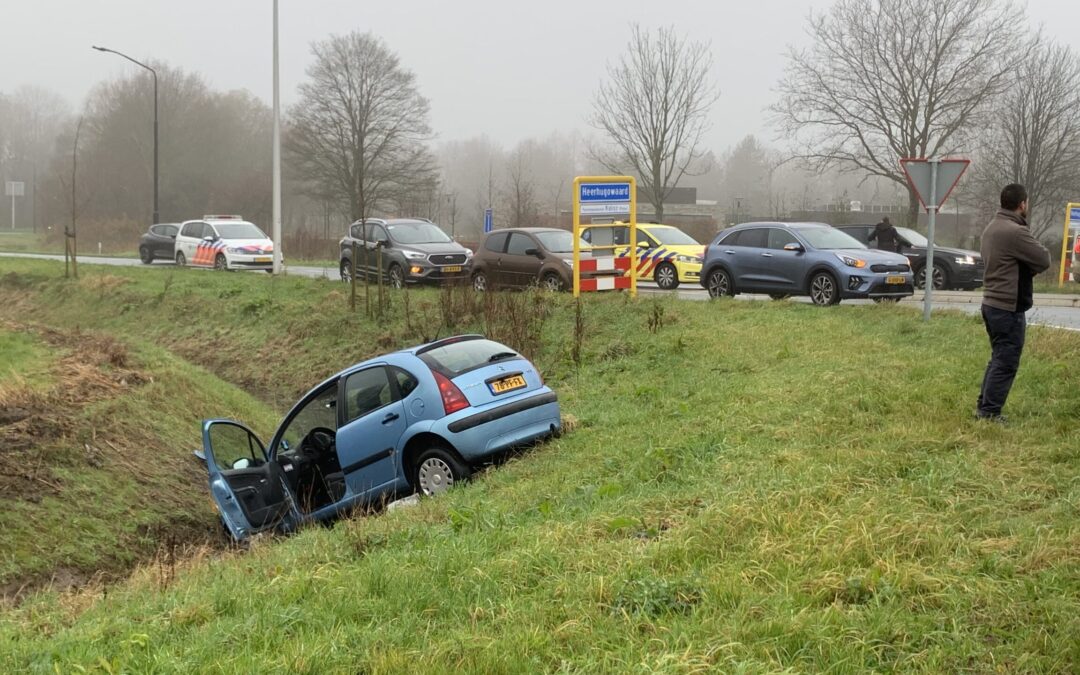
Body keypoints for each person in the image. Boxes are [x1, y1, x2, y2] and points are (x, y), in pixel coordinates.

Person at [976, 183, 1050, 423]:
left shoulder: (991, 228)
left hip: (991, 302)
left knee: (998, 356)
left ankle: (984, 406)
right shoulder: (1015, 231)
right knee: (1006, 361)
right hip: (1008, 306)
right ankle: (989, 413)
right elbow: (1044, 259)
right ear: (1022, 204)